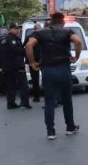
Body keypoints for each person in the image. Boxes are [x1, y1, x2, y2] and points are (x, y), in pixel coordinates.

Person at [25, 12, 81, 140]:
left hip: (48, 70)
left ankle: (51, 131)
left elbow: (28, 46)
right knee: (67, 99)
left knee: (49, 101)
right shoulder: (67, 31)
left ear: (51, 21)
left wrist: (32, 62)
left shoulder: (41, 33)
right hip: (64, 69)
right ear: (63, 22)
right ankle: (70, 126)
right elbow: (77, 42)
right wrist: (76, 57)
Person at [0, 24, 31, 110]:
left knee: (11, 86)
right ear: (11, 29)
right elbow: (16, 51)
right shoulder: (11, 39)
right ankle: (24, 102)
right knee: (23, 85)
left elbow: (1, 54)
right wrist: (24, 50)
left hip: (9, 67)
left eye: (18, 29)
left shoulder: (6, 39)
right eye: (16, 29)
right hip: (16, 65)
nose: (18, 30)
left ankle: (11, 102)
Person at [26, 23, 43, 103]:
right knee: (46, 78)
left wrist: (30, 60)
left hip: (33, 61)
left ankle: (37, 97)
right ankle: (46, 95)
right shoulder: (44, 36)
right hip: (42, 60)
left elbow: (25, 48)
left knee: (35, 80)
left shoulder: (29, 37)